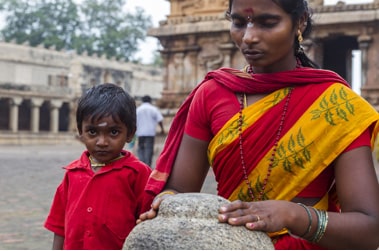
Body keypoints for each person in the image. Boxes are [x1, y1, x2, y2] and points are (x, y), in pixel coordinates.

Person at [138, 0, 379, 249]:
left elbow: (370, 230)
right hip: (231, 243)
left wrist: (292, 215)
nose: (249, 37)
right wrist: (165, 204)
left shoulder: (338, 106)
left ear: (300, 22)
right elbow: (179, 189)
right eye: (239, 23)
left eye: (267, 23)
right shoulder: (211, 94)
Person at [44, 83, 152, 249]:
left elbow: (147, 226)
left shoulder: (138, 174)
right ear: (80, 132)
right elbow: (59, 226)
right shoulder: (72, 173)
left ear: (130, 133)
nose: (102, 142)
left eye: (113, 132)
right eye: (92, 132)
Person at [136, 95, 165, 167]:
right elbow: (160, 120)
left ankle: (142, 163)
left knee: (141, 147)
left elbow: (133, 121)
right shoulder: (154, 109)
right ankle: (147, 164)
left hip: (140, 132)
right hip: (150, 132)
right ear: (150, 101)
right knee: (149, 148)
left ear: (142, 101)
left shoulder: (138, 109)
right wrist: (162, 129)